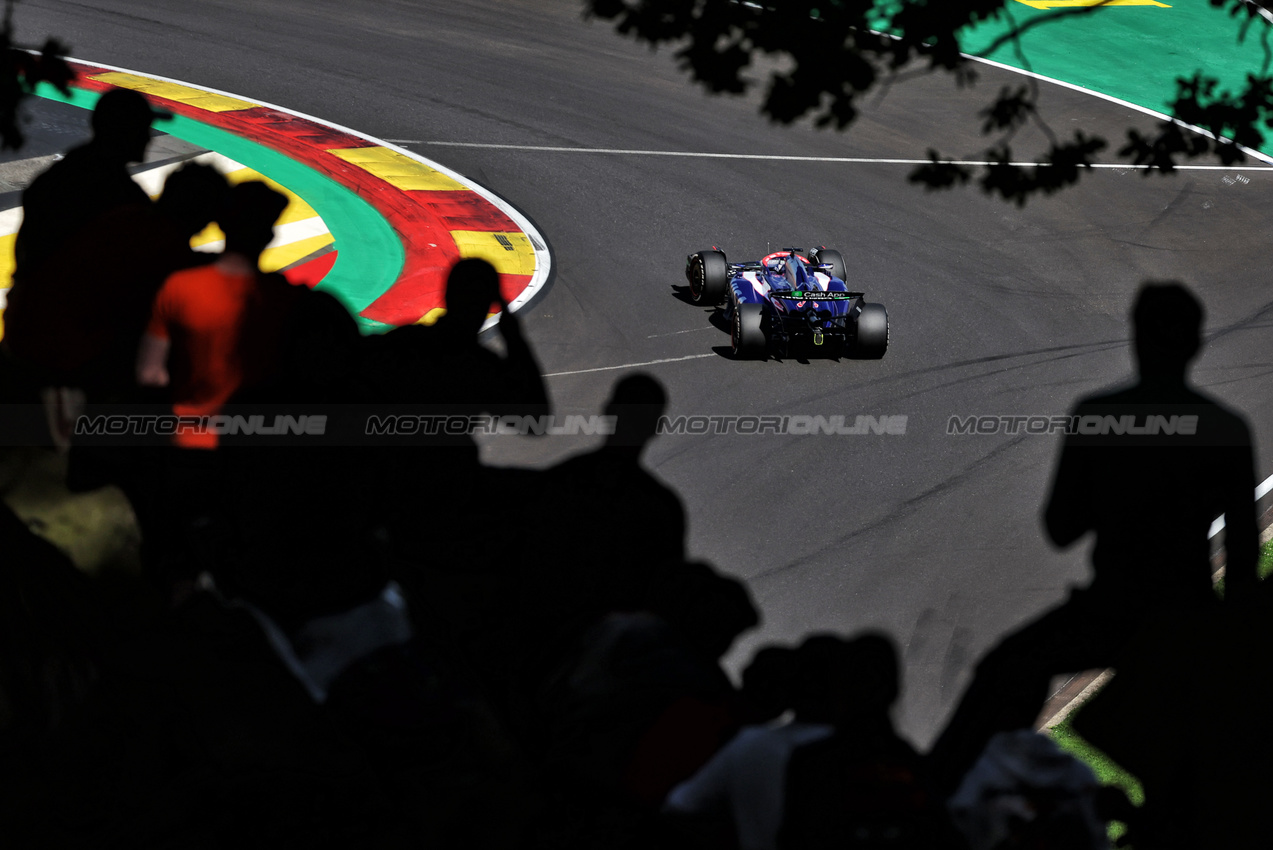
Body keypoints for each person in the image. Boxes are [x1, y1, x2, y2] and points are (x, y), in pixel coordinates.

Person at [926, 281, 1259, 797]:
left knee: (1004, 669)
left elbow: (1061, 529)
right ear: (1195, 345)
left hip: (1112, 608)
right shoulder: (1228, 429)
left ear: (1137, 341)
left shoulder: (1097, 416)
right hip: (1187, 612)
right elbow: (1241, 560)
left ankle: (932, 796)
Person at [137, 180, 303, 448]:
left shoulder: (179, 286)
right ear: (269, 236)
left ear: (221, 225)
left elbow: (149, 373)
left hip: (184, 438)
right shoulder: (291, 300)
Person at [14, 88, 162, 280]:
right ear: (126, 132)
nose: (149, 138)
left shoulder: (60, 174)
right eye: (143, 129)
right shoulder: (121, 196)